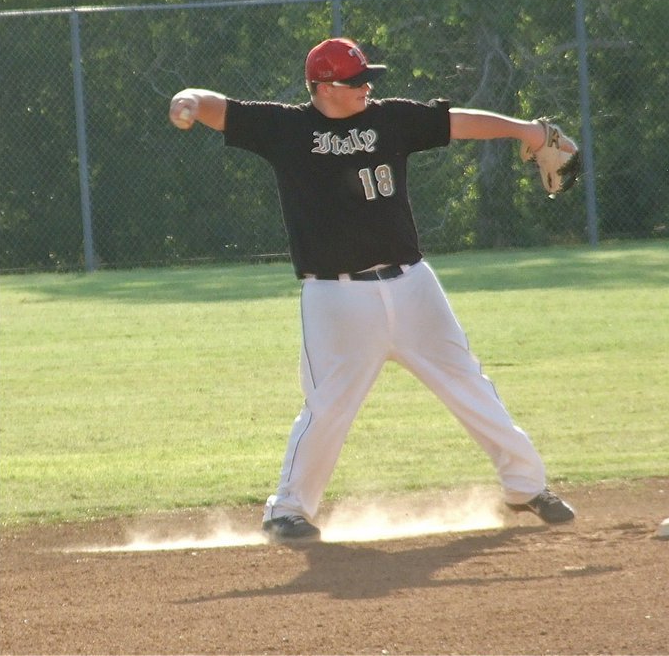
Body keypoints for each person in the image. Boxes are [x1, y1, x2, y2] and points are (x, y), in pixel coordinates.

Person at [169, 37, 576, 543]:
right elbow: (216, 107)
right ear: (321, 87)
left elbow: (460, 123)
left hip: (412, 285)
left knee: (467, 380)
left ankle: (525, 486)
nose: (365, 87)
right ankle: (288, 510)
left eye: (366, 78)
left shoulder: (389, 118)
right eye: (353, 81)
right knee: (329, 405)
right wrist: (185, 100)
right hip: (336, 298)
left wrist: (527, 131)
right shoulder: (288, 129)